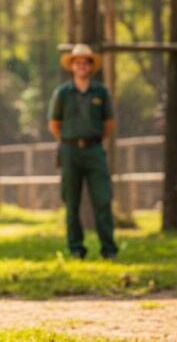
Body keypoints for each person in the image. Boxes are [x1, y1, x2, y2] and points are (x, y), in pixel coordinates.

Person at [48, 44, 118, 259]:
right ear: (72, 66)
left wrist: (92, 140)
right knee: (72, 203)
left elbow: (109, 124)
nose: (81, 66)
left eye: (85, 62)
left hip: (95, 150)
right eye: (77, 62)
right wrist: (70, 141)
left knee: (103, 200)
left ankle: (109, 249)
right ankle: (76, 249)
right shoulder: (62, 93)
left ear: (90, 66)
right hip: (69, 151)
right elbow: (54, 124)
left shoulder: (101, 92)